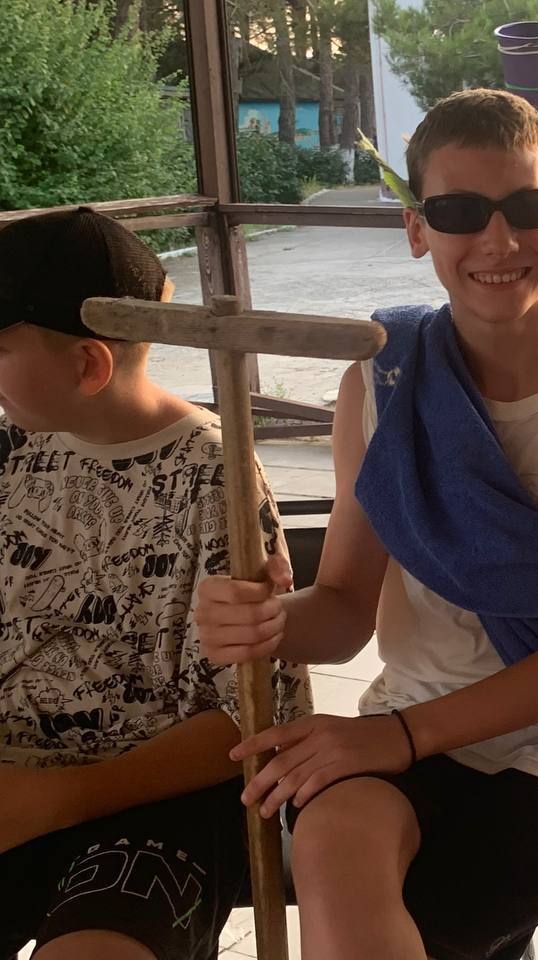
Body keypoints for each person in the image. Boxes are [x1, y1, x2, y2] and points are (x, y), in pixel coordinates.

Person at [195, 88, 538, 960]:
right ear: (418, 229)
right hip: (407, 719)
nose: (498, 241)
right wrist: (267, 623)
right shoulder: (381, 382)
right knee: (331, 848)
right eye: (460, 212)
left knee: (432, 919)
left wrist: (396, 738)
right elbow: (344, 609)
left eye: (526, 208)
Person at [0, 206, 311, 960]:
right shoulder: (13, 448)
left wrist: (58, 799)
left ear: (89, 365)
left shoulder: (217, 474)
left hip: (159, 802)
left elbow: (251, 719)